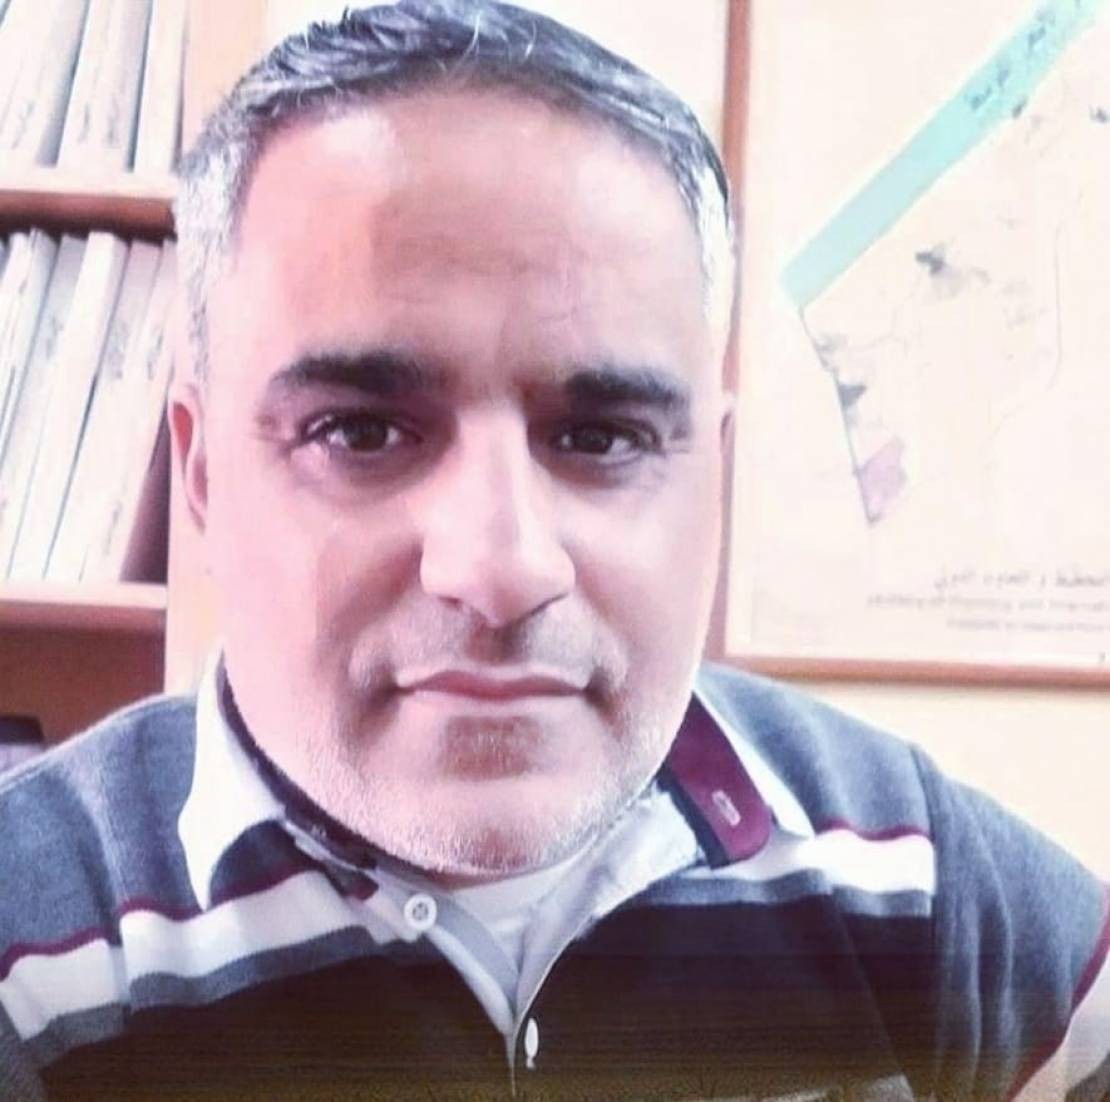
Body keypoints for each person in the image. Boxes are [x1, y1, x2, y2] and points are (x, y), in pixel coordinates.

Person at [1, 1, 1107, 1098]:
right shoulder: (29, 954)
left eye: (601, 437)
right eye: (361, 432)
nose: (500, 567)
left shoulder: (914, 877)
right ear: (200, 473)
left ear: (712, 476)